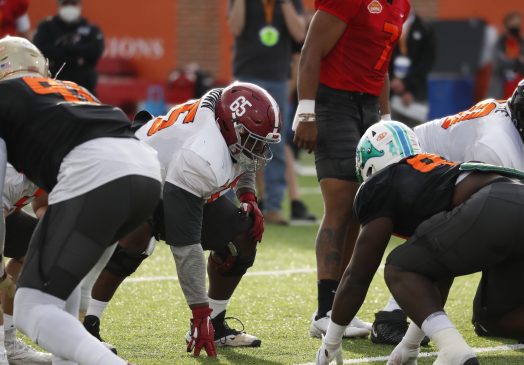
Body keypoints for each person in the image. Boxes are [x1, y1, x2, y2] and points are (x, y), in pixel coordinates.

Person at [320, 121, 524, 365]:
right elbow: (438, 274)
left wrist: (330, 341)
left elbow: (358, 274)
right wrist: (411, 342)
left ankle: (454, 352)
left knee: (397, 267)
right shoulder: (431, 173)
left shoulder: (382, 183)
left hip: (496, 204)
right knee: (494, 316)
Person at [371, 74, 524, 344]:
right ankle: (390, 318)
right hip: (407, 172)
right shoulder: (499, 144)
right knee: (445, 245)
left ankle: (411, 322)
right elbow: (489, 224)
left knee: (454, 240)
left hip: (441, 176)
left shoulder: (517, 130)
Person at [80, 82, 281, 357]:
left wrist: (247, 195)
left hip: (174, 175)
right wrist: (199, 311)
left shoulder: (226, 119)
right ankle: (86, 324)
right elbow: (186, 247)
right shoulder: (202, 155)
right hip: (133, 174)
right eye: (252, 139)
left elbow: (247, 156)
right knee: (135, 240)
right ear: (229, 127)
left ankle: (217, 323)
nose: (258, 150)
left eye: (262, 142)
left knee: (242, 235)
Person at [0, 36, 162, 365]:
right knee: (57, 280)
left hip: (95, 172)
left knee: (32, 308)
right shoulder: (71, 90)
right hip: (145, 171)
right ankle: (69, 359)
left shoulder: (6, 98)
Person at [293, 0, 410, 338]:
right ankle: (324, 312)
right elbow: (312, 48)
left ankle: (340, 310)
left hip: (367, 107)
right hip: (333, 103)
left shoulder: (400, 4)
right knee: (341, 206)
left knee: (362, 207)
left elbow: (381, 65)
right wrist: (306, 111)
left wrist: (386, 119)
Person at [228, 0, 306, 225]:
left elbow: (299, 33)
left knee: (276, 145)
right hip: (246, 76)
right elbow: (235, 28)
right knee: (238, 142)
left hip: (277, 79)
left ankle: (273, 207)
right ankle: (235, 204)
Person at [0, 165, 52, 365]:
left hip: (6, 212)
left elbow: (42, 204)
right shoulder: (10, 177)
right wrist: (3, 278)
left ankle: (9, 344)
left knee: (40, 247)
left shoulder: (52, 164)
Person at [33, 0, 104, 94]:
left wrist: (64, 49)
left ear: (79, 5)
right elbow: (41, 48)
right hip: (53, 87)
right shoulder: (46, 27)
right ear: (59, 5)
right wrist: (76, 59)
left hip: (84, 88)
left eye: (73, 3)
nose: (69, 7)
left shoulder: (91, 29)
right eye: (65, 3)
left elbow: (95, 50)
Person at [388, 10, 436, 125]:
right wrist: (391, 80)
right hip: (389, 94)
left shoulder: (425, 28)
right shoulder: (388, 24)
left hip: (414, 95)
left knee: (414, 136)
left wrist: (406, 85)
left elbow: (425, 63)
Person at [487, 12, 524, 100]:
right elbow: (499, 63)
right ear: (505, 25)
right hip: (500, 92)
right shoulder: (499, 43)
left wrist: (511, 61)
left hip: (520, 92)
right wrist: (517, 61)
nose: (515, 27)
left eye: (518, 24)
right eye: (513, 24)